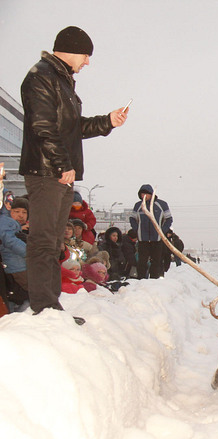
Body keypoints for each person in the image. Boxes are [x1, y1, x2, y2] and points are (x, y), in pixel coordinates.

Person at [19, 26, 128, 319]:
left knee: (54, 241)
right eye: (86, 55)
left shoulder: (61, 80)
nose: (87, 62)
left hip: (58, 172)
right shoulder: (41, 77)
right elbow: (42, 127)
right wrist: (60, 164)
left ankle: (51, 306)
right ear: (70, 49)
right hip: (47, 171)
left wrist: (108, 122)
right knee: (44, 241)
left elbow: (73, 127)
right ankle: (44, 308)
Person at [130, 185, 173, 279]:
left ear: (151, 194)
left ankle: (154, 281)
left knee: (156, 262)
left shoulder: (161, 204)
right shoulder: (138, 205)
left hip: (157, 239)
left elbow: (169, 219)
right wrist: (137, 229)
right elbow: (132, 218)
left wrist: (162, 231)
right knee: (142, 262)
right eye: (142, 194)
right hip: (143, 239)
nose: (144, 196)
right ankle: (141, 280)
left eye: (146, 194)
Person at [0, 197, 30, 309]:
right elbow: (10, 242)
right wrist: (30, 252)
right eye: (16, 211)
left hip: (20, 267)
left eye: (24, 212)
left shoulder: (27, 229)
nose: (20, 215)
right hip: (14, 269)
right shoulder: (6, 225)